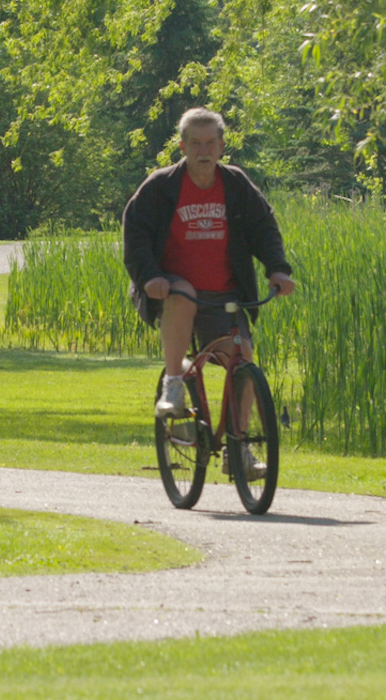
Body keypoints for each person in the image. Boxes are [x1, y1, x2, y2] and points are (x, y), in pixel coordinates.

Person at [121, 108, 295, 457]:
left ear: (221, 146)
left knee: (243, 359)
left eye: (210, 143)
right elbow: (135, 233)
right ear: (182, 147)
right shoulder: (161, 186)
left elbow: (264, 227)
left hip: (224, 295)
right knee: (183, 294)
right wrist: (150, 277)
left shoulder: (235, 184)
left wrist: (277, 268)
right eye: (195, 143)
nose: (203, 151)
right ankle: (173, 384)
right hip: (169, 289)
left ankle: (238, 446)